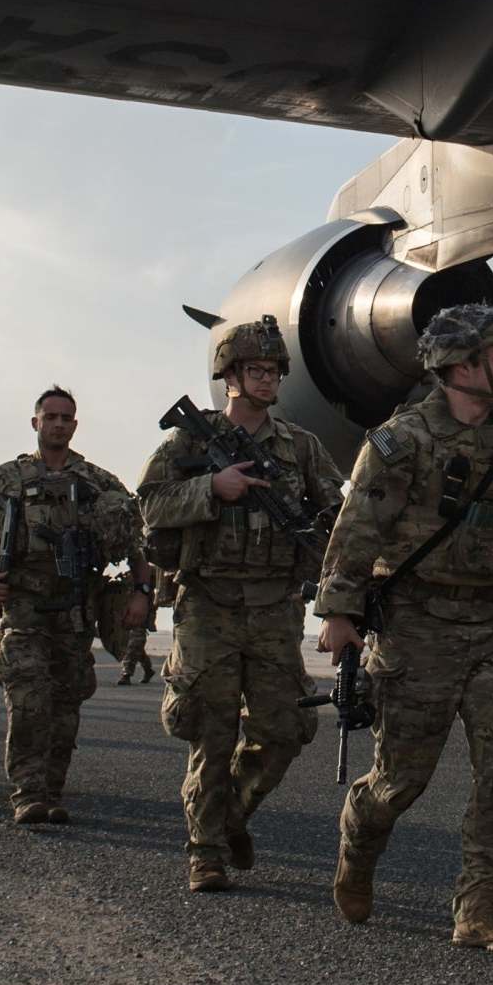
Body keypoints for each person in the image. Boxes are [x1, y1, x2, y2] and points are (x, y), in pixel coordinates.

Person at [317, 301, 493, 953]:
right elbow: (357, 530)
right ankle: (360, 833)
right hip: (415, 623)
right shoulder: (400, 442)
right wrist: (340, 611)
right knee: (401, 778)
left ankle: (480, 906)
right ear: (461, 367)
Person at [137, 318, 346, 893]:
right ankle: (204, 851)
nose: (267, 378)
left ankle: (231, 815)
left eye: (275, 370)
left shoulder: (300, 446)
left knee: (287, 727)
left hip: (277, 606)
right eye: (255, 369)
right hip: (209, 603)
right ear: (228, 376)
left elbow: (338, 519)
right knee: (211, 729)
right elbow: (149, 505)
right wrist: (212, 488)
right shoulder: (189, 441)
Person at [0, 388, 151, 826]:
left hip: (75, 611)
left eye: (67, 417)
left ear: (75, 425)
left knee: (66, 708)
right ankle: (27, 793)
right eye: (51, 417)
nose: (59, 424)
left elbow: (135, 540)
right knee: (28, 702)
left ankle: (52, 791)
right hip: (23, 608)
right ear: (36, 423)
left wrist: (142, 592)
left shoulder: (97, 482)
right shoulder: (5, 477)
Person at [117, 609, 158, 684]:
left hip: (138, 617)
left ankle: (126, 674)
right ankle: (148, 670)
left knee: (132, 647)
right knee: (137, 649)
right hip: (125, 617)